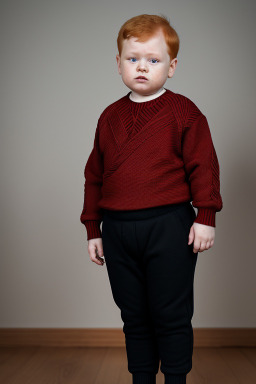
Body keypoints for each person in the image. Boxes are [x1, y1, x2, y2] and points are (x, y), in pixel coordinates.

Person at [80, 14, 223, 384]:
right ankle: (141, 378)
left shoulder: (185, 113)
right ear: (118, 63)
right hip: (117, 230)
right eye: (132, 59)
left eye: (153, 60)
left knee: (170, 313)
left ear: (172, 67)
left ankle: (176, 379)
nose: (141, 67)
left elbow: (204, 166)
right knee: (134, 315)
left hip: (170, 227)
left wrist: (205, 215)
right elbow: (94, 176)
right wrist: (93, 229)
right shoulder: (109, 117)